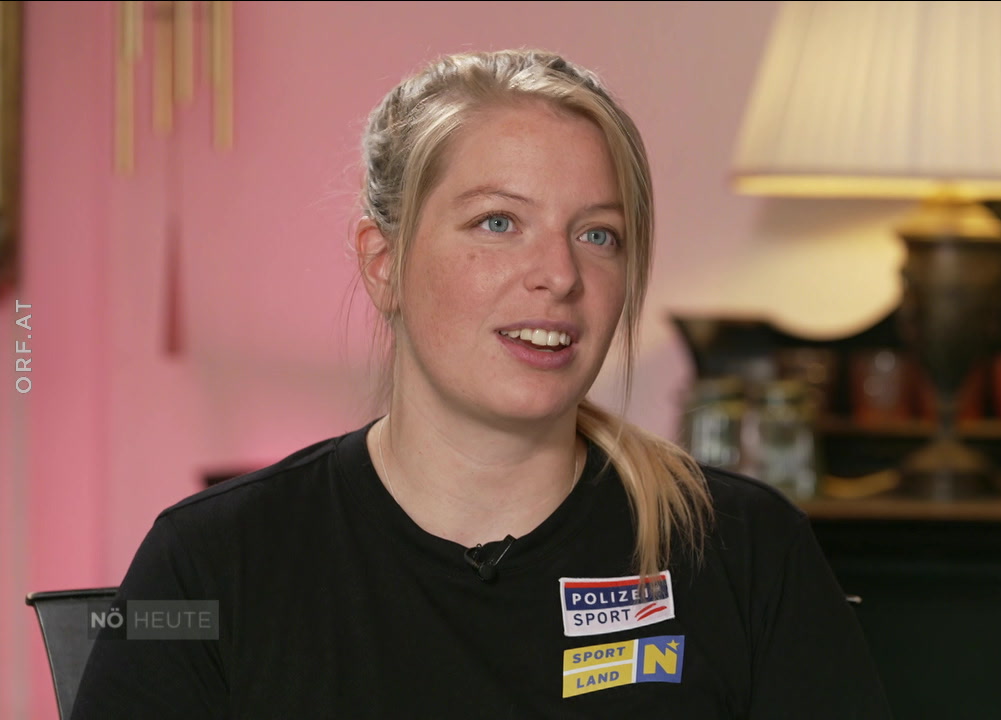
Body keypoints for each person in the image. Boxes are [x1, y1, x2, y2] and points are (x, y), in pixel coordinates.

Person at [71, 49, 892, 719]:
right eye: (498, 223)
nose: (559, 274)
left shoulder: (743, 550)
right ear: (383, 263)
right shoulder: (212, 563)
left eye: (598, 235)